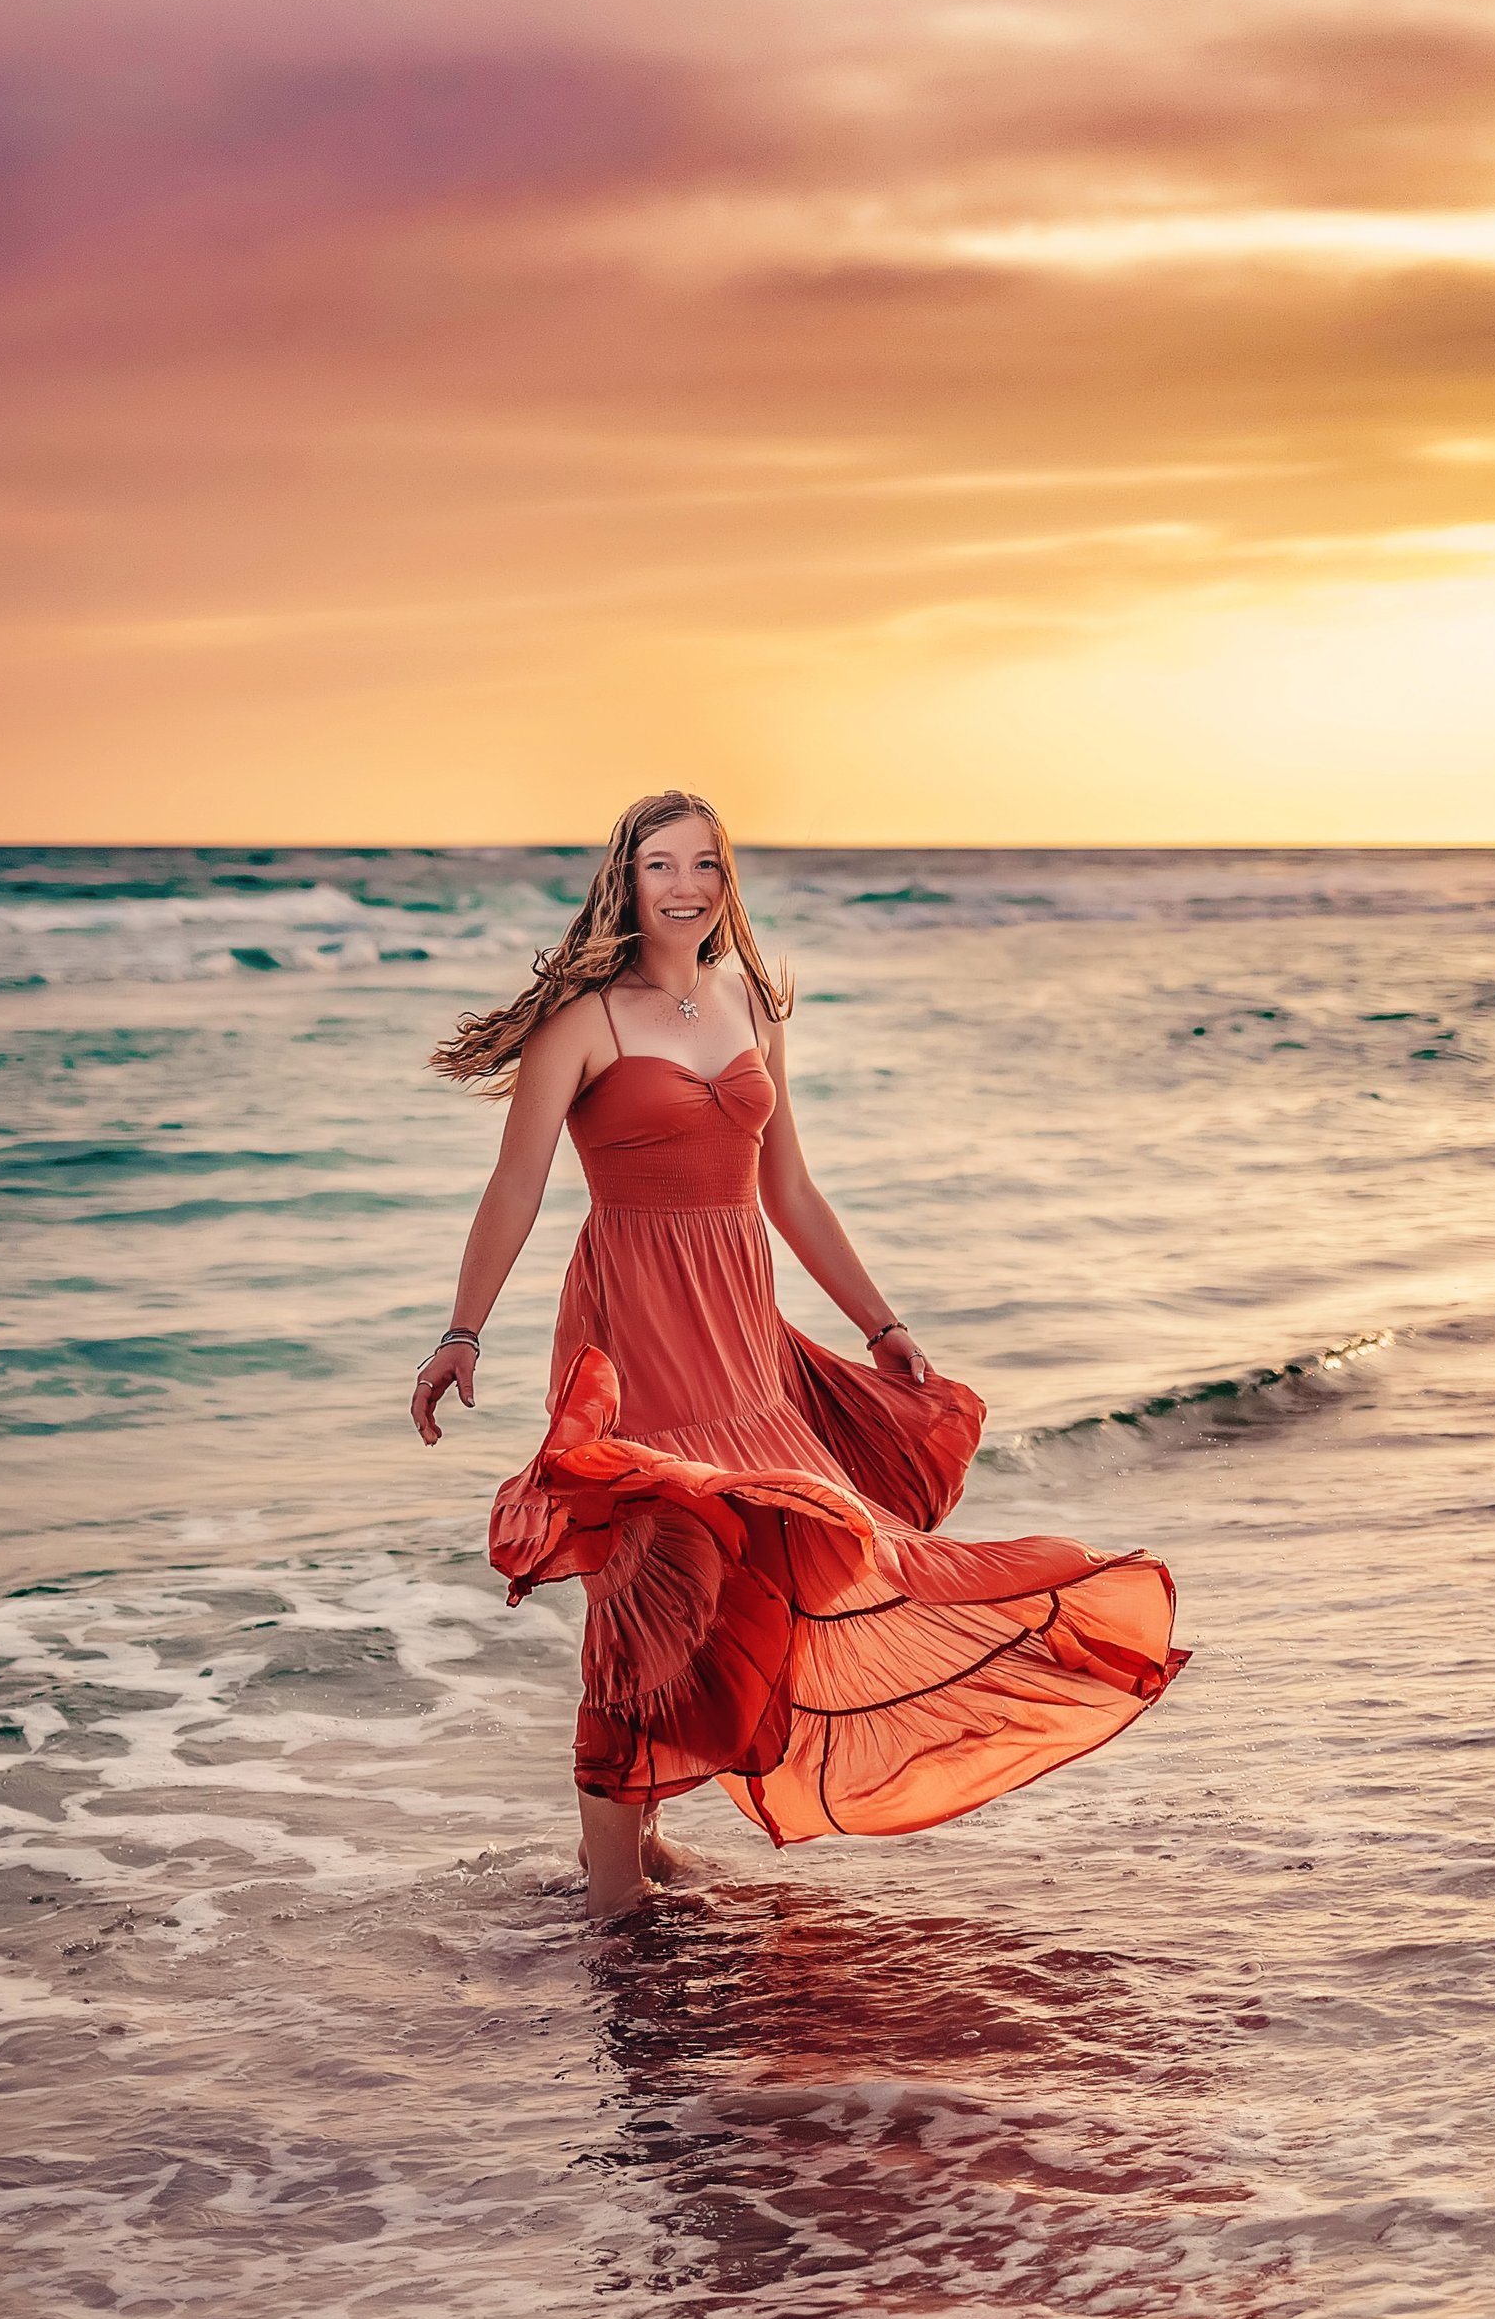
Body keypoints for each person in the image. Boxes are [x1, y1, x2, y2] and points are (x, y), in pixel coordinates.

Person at [411, 791, 1186, 1920]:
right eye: (661, 865)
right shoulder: (585, 1017)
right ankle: (613, 1882)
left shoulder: (750, 1002)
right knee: (645, 1581)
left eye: (706, 867)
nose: (685, 887)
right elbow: (517, 1184)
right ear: (624, 879)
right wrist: (461, 1330)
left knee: (757, 1563)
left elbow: (789, 1191)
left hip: (740, 1331)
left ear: (729, 882)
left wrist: (882, 1324)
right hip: (635, 1322)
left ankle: (647, 1843)